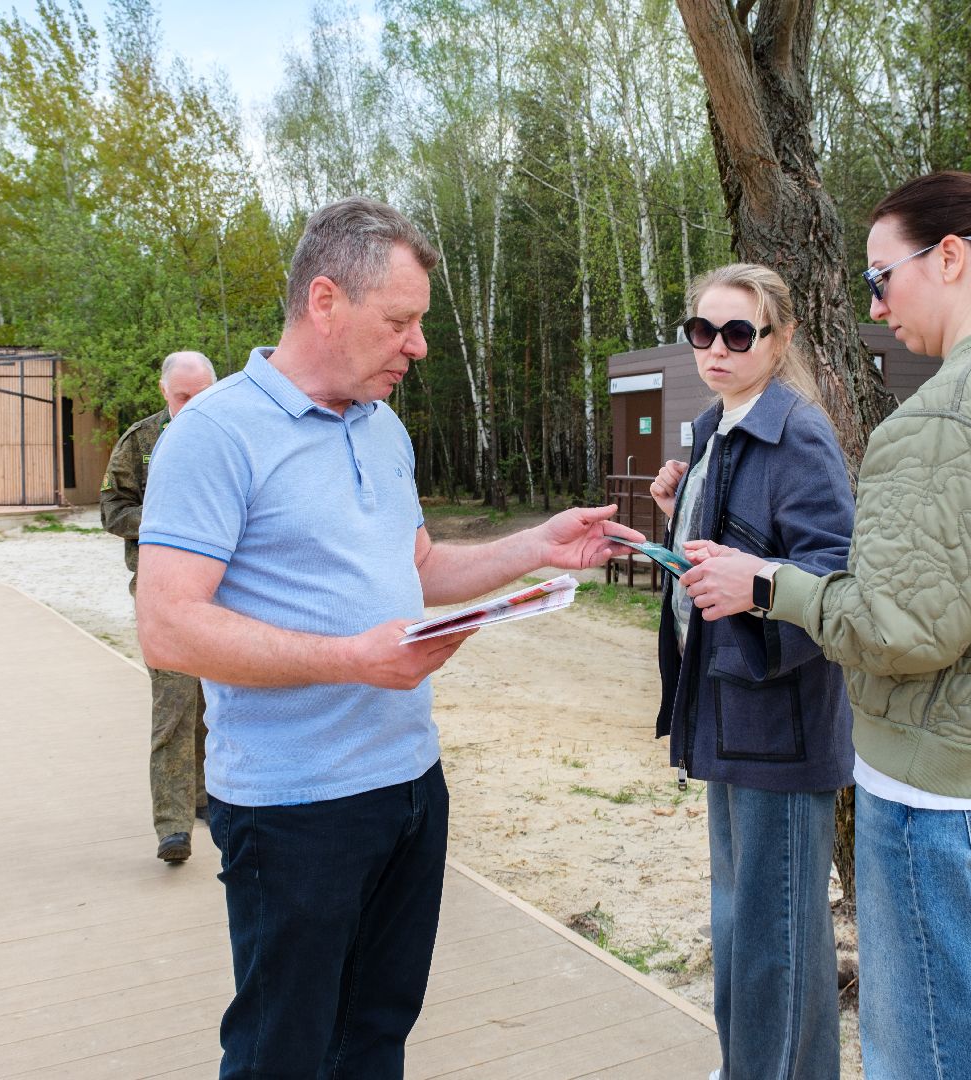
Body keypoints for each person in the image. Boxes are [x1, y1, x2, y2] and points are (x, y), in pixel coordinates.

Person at [132, 196, 641, 1079]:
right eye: (400, 322)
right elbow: (168, 627)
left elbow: (418, 567)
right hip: (293, 809)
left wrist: (537, 547)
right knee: (282, 1053)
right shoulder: (212, 435)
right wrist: (352, 660)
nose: (420, 346)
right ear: (325, 302)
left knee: (375, 1040)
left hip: (409, 788)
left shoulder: (383, 423)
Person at [678, 172, 971, 1080]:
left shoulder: (952, 411)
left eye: (882, 279)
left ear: (950, 258)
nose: (876, 308)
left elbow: (899, 629)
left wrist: (769, 586)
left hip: (941, 797)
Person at [647, 264, 854, 1080]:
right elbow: (733, 550)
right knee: (744, 926)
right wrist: (681, 517)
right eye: (703, 331)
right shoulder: (717, 427)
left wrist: (757, 588)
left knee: (776, 939)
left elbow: (836, 576)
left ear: (781, 337)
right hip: (727, 717)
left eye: (739, 333)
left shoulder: (797, 431)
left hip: (780, 725)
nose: (717, 348)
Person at [100, 350, 217, 863]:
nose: (192, 406)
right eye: (182, 397)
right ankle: (173, 827)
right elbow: (113, 511)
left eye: (202, 395)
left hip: (224, 592)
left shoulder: (231, 435)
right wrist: (166, 523)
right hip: (162, 592)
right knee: (174, 704)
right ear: (163, 391)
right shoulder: (141, 441)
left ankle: (206, 797)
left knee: (215, 702)